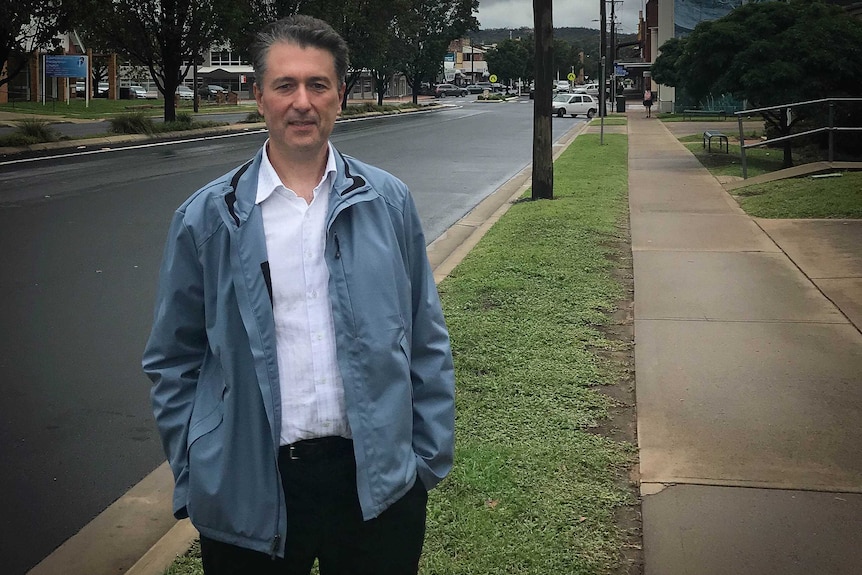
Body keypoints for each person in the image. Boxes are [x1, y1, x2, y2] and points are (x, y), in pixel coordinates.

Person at [142, 15, 455, 575]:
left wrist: (424, 462)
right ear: (259, 97)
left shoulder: (387, 203)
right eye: (285, 86)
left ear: (340, 94)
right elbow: (173, 359)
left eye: (318, 84)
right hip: (251, 482)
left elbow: (424, 333)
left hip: (375, 482)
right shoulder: (206, 219)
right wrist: (198, 470)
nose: (302, 102)